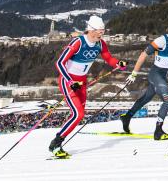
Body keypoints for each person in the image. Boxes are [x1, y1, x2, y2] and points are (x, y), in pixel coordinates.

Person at [49, 15, 127, 158]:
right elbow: (59, 63)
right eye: (98, 31)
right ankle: (55, 143)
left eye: (103, 31)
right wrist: (70, 81)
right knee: (79, 114)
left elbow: (108, 58)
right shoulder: (78, 42)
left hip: (82, 82)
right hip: (69, 81)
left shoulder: (100, 44)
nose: (101, 34)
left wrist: (118, 63)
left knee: (78, 115)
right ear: (90, 30)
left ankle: (60, 138)